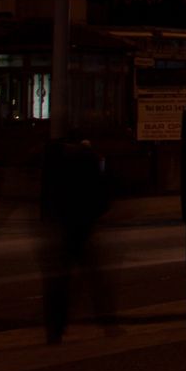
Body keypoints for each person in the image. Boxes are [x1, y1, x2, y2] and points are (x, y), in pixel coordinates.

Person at [40, 137, 113, 343]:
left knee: (59, 281)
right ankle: (106, 322)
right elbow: (102, 191)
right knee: (93, 276)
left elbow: (47, 196)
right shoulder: (88, 159)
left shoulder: (53, 161)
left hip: (62, 224)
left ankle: (55, 329)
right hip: (82, 223)